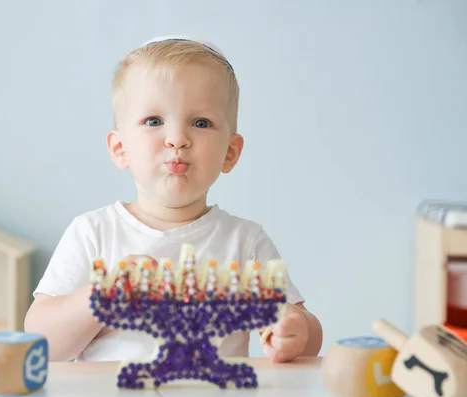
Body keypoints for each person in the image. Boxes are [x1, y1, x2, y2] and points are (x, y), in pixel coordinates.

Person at [24, 35, 323, 363]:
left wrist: (295, 332)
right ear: (120, 149)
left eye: (201, 123)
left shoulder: (245, 243)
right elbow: (40, 343)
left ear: (230, 152)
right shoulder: (93, 233)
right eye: (154, 121)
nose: (178, 139)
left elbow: (305, 337)